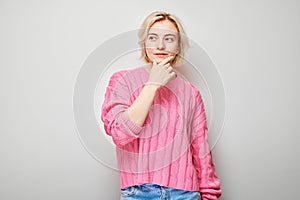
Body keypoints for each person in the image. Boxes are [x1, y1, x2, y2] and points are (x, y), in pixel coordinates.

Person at [101, 11, 222, 200]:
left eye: (169, 38)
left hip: (186, 194)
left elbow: (201, 151)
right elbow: (119, 135)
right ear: (144, 43)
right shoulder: (121, 81)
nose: (160, 45)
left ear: (179, 46)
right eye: (153, 37)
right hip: (139, 193)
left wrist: (209, 195)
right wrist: (153, 84)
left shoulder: (191, 92)